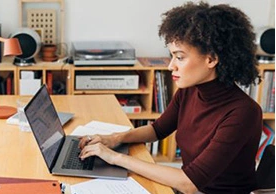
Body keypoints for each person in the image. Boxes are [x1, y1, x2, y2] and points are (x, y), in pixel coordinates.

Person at [78, 1, 263, 194]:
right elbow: (157, 130)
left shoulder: (243, 113)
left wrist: (115, 158)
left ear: (211, 59)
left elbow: (188, 183)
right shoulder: (190, 90)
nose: (171, 66)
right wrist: (116, 139)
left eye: (180, 57)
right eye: (172, 56)